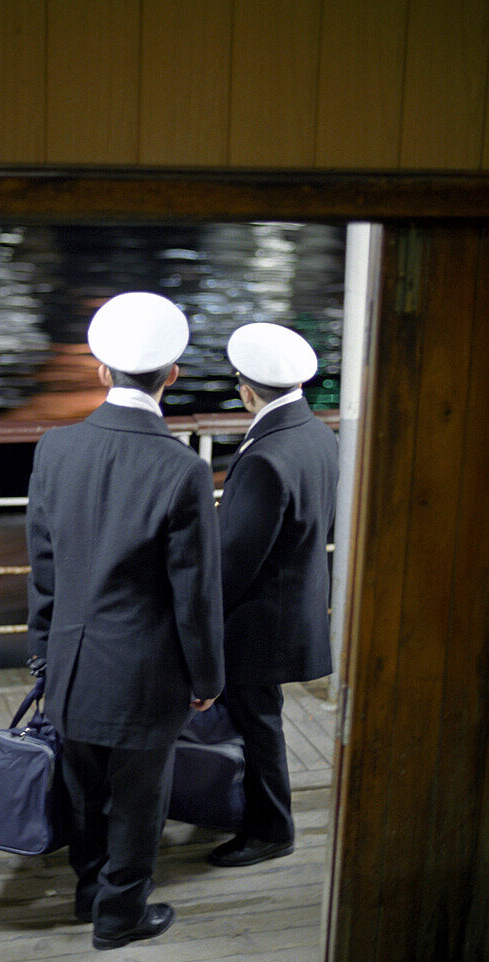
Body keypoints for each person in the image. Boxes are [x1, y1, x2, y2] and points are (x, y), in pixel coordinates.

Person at [26, 291, 224, 949]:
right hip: (145, 669)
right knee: (139, 799)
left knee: (82, 791)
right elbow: (192, 594)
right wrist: (206, 676)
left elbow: (44, 570)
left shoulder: (54, 450)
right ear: (172, 375)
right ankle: (120, 916)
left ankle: (89, 896)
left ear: (101, 370)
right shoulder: (181, 469)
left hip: (71, 663)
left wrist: (42, 657)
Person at [206, 322, 338, 868]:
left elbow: (235, 559)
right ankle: (263, 819)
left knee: (257, 725)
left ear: (246, 388)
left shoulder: (265, 455)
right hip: (297, 604)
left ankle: (269, 830)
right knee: (263, 719)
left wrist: (198, 617)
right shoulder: (318, 435)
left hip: (257, 621)